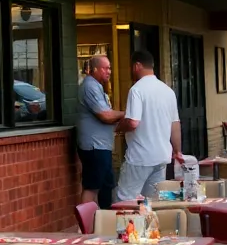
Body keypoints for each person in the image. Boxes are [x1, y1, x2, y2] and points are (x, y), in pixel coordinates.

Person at [116, 49, 181, 202]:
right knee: (152, 201)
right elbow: (175, 124)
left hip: (140, 157)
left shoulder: (137, 90)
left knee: (126, 200)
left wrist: (118, 128)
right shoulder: (168, 91)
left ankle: (129, 226)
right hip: (162, 157)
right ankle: (151, 226)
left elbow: (133, 122)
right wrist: (177, 151)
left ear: (137, 66)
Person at [77, 55, 123, 209]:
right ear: (94, 69)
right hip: (94, 147)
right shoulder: (90, 86)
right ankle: (84, 228)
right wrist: (127, 114)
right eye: (105, 68)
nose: (109, 71)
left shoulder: (97, 86)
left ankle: (104, 223)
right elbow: (106, 115)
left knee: (106, 186)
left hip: (103, 146)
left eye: (110, 67)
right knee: (92, 186)